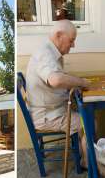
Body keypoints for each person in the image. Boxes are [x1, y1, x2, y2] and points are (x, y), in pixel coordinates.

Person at [25, 19, 88, 152]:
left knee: (85, 110)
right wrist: (81, 82)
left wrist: (74, 84)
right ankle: (88, 162)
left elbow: (58, 80)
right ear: (59, 36)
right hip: (47, 116)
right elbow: (56, 80)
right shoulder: (45, 53)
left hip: (52, 110)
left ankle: (84, 153)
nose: (73, 45)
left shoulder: (50, 52)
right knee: (88, 122)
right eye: (71, 40)